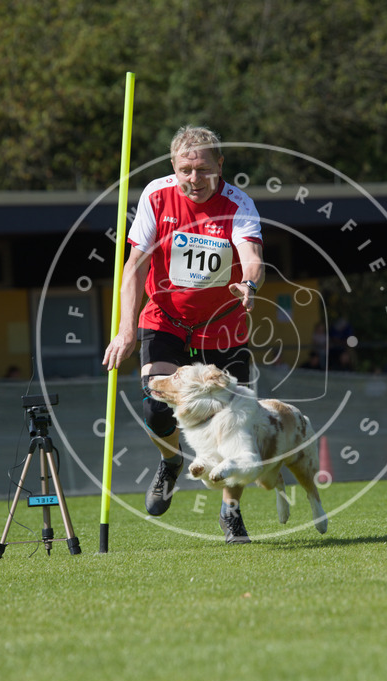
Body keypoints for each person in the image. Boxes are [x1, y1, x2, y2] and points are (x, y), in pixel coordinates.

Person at [102, 125, 264, 544]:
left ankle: (231, 512)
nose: (194, 179)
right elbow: (134, 265)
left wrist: (249, 284)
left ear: (220, 166)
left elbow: (252, 257)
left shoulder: (238, 204)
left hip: (223, 322)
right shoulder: (157, 195)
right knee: (157, 405)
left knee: (233, 423)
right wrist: (125, 330)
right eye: (185, 169)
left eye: (203, 169)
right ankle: (170, 461)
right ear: (173, 166)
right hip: (166, 317)